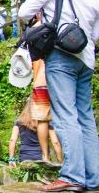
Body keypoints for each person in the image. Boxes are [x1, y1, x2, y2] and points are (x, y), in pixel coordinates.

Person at [19, 0, 99, 192]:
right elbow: (95, 35)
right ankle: (92, 177)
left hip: (60, 56)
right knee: (85, 116)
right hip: (86, 59)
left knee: (65, 115)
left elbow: (24, 12)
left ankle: (73, 176)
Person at [30, 11, 63, 164]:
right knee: (62, 116)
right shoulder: (55, 27)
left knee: (42, 120)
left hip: (39, 82)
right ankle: (63, 159)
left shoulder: (32, 34)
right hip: (58, 79)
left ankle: (45, 156)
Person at [8, 97, 60, 167]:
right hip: (42, 158)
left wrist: (11, 159)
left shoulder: (19, 121)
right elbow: (55, 142)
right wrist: (61, 162)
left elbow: (12, 140)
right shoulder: (45, 122)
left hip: (24, 158)